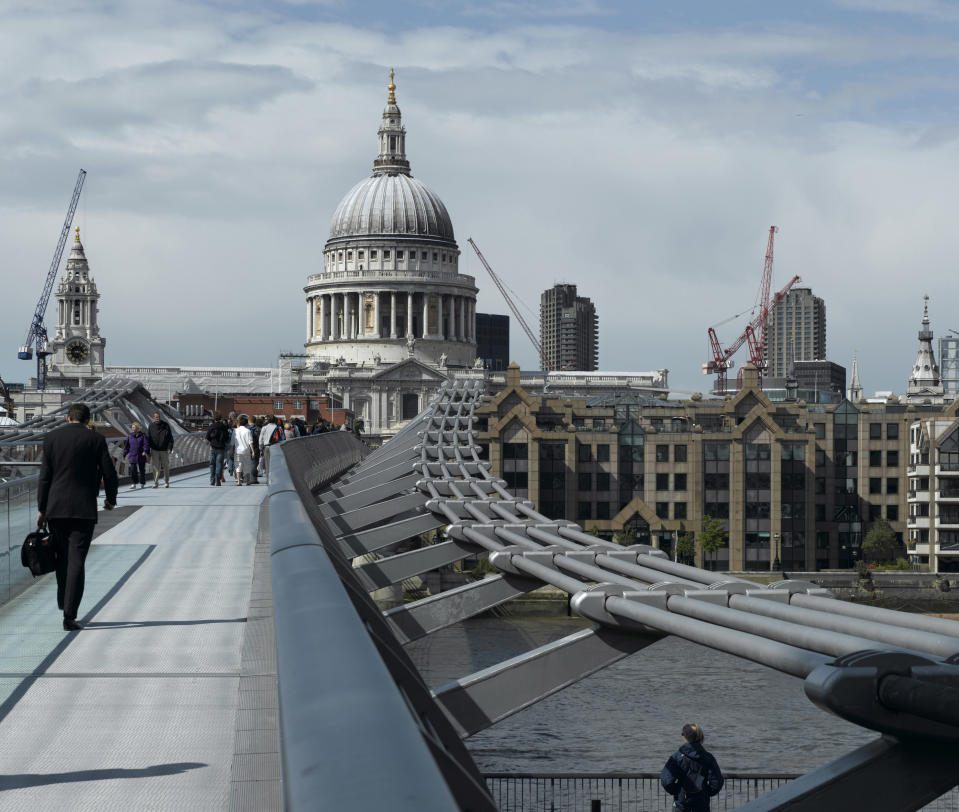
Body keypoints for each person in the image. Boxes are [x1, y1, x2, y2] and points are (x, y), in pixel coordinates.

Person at [37, 402, 118, 631]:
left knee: (61, 557)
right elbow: (109, 473)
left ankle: (64, 602)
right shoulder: (96, 439)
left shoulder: (51, 438)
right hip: (83, 509)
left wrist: (42, 509)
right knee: (76, 560)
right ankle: (69, 615)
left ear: (66, 418)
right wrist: (110, 499)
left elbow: (44, 477)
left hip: (56, 508)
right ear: (87, 419)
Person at [660, 723, 724, 812]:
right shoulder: (708, 757)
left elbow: (666, 780)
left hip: (681, 803)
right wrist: (706, 792)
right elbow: (716, 783)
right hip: (702, 804)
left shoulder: (677, 757)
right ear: (700, 736)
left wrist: (677, 791)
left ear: (685, 737)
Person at [147, 411, 174, 488]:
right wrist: (148, 450)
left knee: (165, 466)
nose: (156, 418)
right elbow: (148, 438)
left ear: (160, 417)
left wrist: (169, 448)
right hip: (154, 450)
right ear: (153, 418)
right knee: (155, 467)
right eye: (155, 417)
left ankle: (166, 482)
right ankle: (155, 483)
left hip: (164, 450)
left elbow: (170, 439)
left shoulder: (166, 425)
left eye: (158, 417)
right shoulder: (151, 426)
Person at [206, 412, 230, 486]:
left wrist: (212, 441)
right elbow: (227, 437)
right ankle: (218, 480)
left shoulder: (212, 426)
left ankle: (212, 480)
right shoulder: (223, 426)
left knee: (212, 464)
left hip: (213, 447)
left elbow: (207, 436)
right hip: (221, 448)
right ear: (220, 418)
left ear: (214, 418)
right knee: (219, 464)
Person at [124, 421, 150, 489]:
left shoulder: (143, 435)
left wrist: (145, 451)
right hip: (133, 455)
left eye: (134, 427)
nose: (132, 429)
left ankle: (142, 483)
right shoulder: (130, 436)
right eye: (132, 427)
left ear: (138, 428)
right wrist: (124, 453)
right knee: (133, 470)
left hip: (141, 455)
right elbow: (127, 446)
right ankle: (134, 483)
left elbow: (146, 444)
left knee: (142, 470)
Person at [232, 415, 254, 485]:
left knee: (238, 465)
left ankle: (239, 481)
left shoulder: (235, 431)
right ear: (246, 423)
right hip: (246, 450)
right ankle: (247, 481)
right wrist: (253, 451)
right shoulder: (248, 431)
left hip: (237, 451)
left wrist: (231, 450)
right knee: (247, 465)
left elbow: (232, 442)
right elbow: (250, 442)